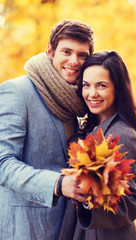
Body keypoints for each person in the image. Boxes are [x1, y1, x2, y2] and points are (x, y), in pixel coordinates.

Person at [0, 19, 94, 240]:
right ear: (50, 51)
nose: (74, 61)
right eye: (67, 52)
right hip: (24, 229)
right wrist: (58, 184)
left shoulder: (77, 102)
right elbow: (3, 163)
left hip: (67, 228)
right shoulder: (17, 92)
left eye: (82, 55)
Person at [59, 50, 136, 240]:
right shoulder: (90, 128)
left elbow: (131, 202)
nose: (92, 94)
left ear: (118, 88)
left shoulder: (122, 135)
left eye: (101, 86)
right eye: (86, 85)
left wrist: (87, 194)